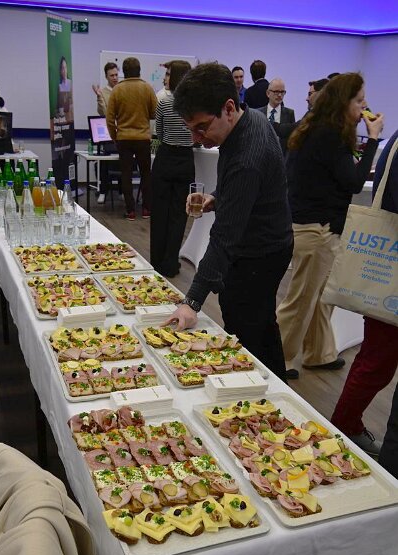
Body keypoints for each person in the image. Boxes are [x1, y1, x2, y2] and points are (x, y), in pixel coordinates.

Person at [165, 63, 293, 381]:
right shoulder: (252, 119)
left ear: (229, 108)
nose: (196, 138)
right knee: (263, 325)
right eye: (191, 129)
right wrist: (217, 198)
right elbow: (246, 190)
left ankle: (258, 390)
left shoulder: (248, 156)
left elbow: (223, 238)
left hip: (259, 254)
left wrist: (191, 303)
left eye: (201, 127)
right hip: (270, 244)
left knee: (245, 333)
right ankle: (274, 382)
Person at [276, 73, 384, 379]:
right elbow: (353, 182)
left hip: (312, 224)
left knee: (321, 296)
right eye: (359, 100)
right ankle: (276, 357)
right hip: (316, 229)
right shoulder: (330, 135)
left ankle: (319, 352)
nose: (364, 106)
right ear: (343, 102)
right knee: (301, 299)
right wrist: (373, 139)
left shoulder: (316, 127)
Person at [329, 130, 398, 456]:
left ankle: (345, 427)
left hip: (388, 274)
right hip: (391, 278)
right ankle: (343, 428)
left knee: (375, 360)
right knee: (376, 363)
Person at [150, 60, 194, 277]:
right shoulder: (193, 105)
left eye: (168, 73)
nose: (165, 77)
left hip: (165, 156)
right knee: (179, 214)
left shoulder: (165, 102)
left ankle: (156, 260)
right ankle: (170, 262)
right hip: (185, 159)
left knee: (160, 212)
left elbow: (158, 132)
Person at [106, 56, 157, 220]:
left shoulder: (117, 90)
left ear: (124, 72)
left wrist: (114, 136)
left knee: (126, 174)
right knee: (146, 174)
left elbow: (109, 118)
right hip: (143, 138)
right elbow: (155, 113)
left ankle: (131, 211)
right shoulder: (147, 88)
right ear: (139, 71)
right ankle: (147, 209)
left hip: (124, 138)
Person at [91, 63, 119, 204]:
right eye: (111, 75)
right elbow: (103, 113)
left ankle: (122, 191)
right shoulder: (103, 92)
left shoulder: (122, 89)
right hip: (109, 133)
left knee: (124, 161)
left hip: (123, 133)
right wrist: (99, 97)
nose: (114, 77)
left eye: (116, 74)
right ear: (106, 77)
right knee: (104, 163)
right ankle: (103, 191)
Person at [258, 78, 295, 154]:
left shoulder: (289, 113)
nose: (280, 95)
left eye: (282, 92)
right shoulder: (258, 113)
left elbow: (291, 139)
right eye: (276, 92)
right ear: (268, 93)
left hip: (282, 156)